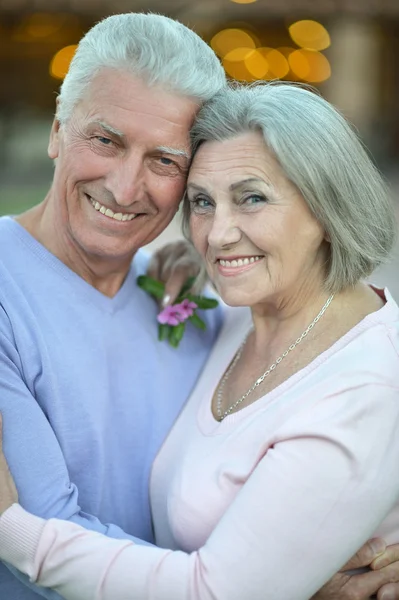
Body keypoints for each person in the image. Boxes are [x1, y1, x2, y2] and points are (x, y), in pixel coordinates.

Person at [0, 81, 399, 600]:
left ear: (327, 206)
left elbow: (212, 594)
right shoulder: (240, 313)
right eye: (203, 203)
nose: (216, 234)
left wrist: (11, 527)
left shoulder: (363, 388)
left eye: (252, 198)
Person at [0, 12, 226, 600]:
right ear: (56, 132)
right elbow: (45, 538)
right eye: (105, 140)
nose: (126, 189)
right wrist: (277, 578)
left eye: (164, 161)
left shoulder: (196, 301)